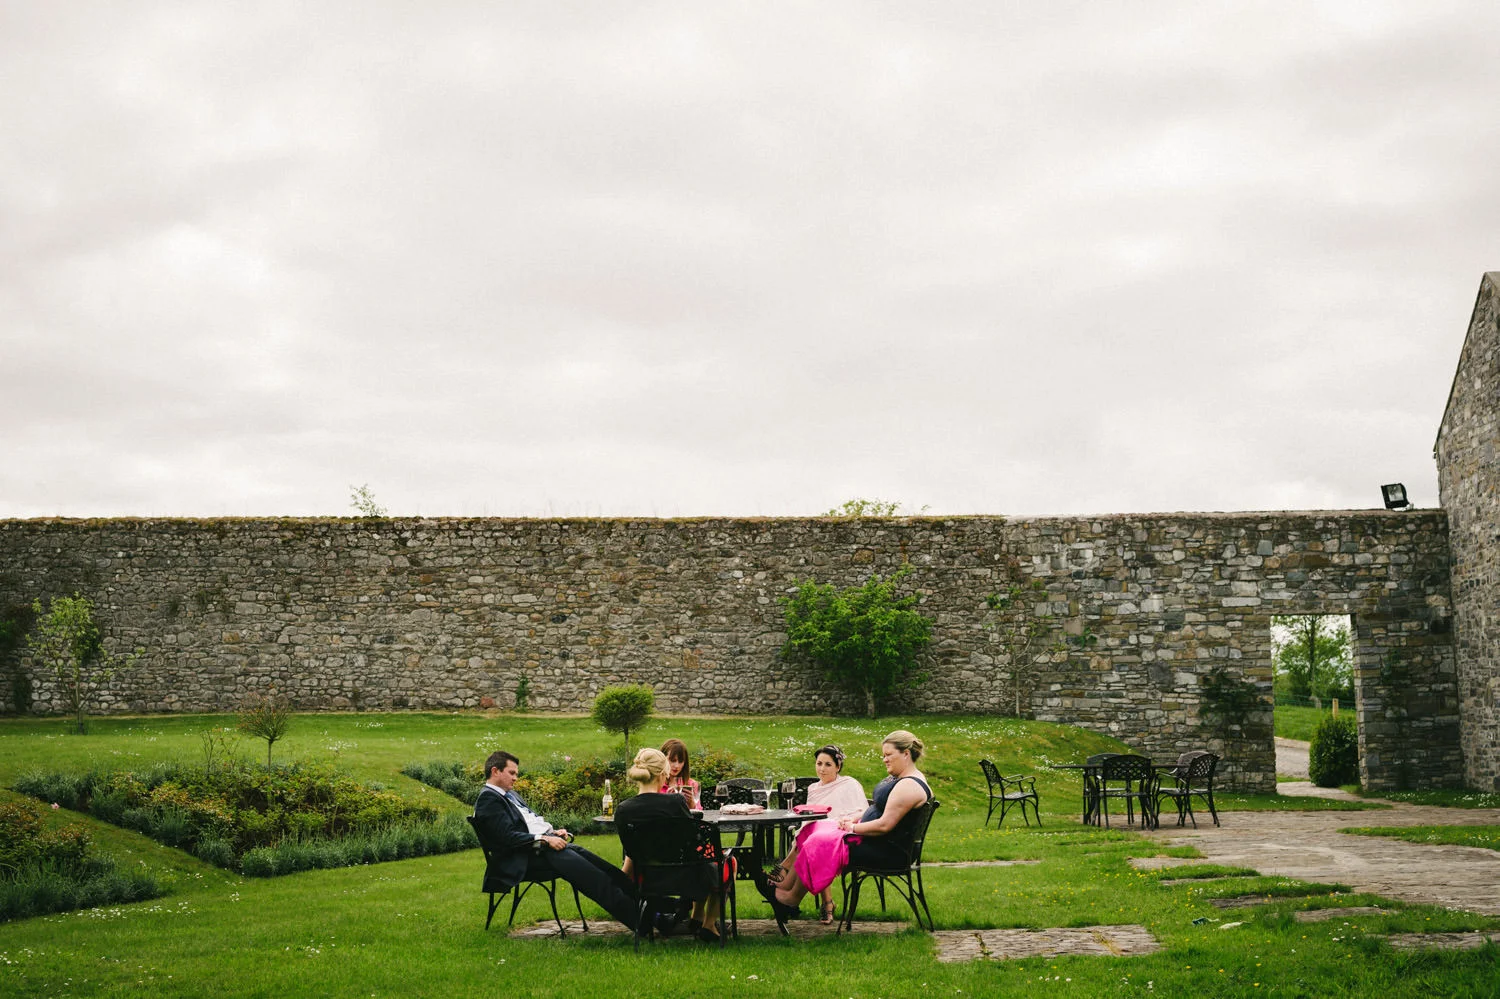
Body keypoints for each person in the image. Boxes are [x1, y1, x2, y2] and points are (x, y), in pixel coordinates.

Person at [763, 730, 933, 920]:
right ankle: (786, 885)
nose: (884, 759)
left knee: (819, 841)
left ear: (906, 754)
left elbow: (884, 825)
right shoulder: (901, 779)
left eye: (888, 755)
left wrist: (852, 828)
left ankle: (790, 899)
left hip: (886, 850)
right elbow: (878, 808)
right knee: (812, 829)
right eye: (883, 755)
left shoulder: (908, 786)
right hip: (873, 840)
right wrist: (853, 819)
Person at [471, 750, 640, 929]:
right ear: (495, 771)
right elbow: (507, 837)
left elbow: (529, 822)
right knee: (592, 876)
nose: (515, 778)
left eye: (516, 774)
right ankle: (640, 921)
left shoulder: (509, 795)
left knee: (598, 865)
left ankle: (645, 902)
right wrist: (544, 839)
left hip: (538, 849)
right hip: (521, 860)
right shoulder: (488, 799)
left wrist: (552, 832)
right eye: (511, 773)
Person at [615, 748, 724, 941]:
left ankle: (697, 920)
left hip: (647, 880)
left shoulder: (623, 810)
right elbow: (692, 842)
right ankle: (708, 924)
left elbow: (631, 851)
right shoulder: (675, 802)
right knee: (726, 863)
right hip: (689, 877)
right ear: (663, 774)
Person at [766, 744, 866, 923]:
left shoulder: (849, 783)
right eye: (819, 763)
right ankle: (819, 901)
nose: (822, 768)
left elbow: (863, 810)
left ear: (838, 766)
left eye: (828, 764)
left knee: (814, 840)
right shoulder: (813, 788)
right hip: (817, 831)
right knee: (810, 836)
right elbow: (811, 815)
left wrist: (846, 820)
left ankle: (785, 876)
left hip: (843, 830)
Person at [659, 738, 701, 808]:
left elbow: (699, 814)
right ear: (662, 758)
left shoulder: (691, 784)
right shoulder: (656, 784)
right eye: (672, 760)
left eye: (681, 761)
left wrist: (691, 804)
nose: (677, 766)